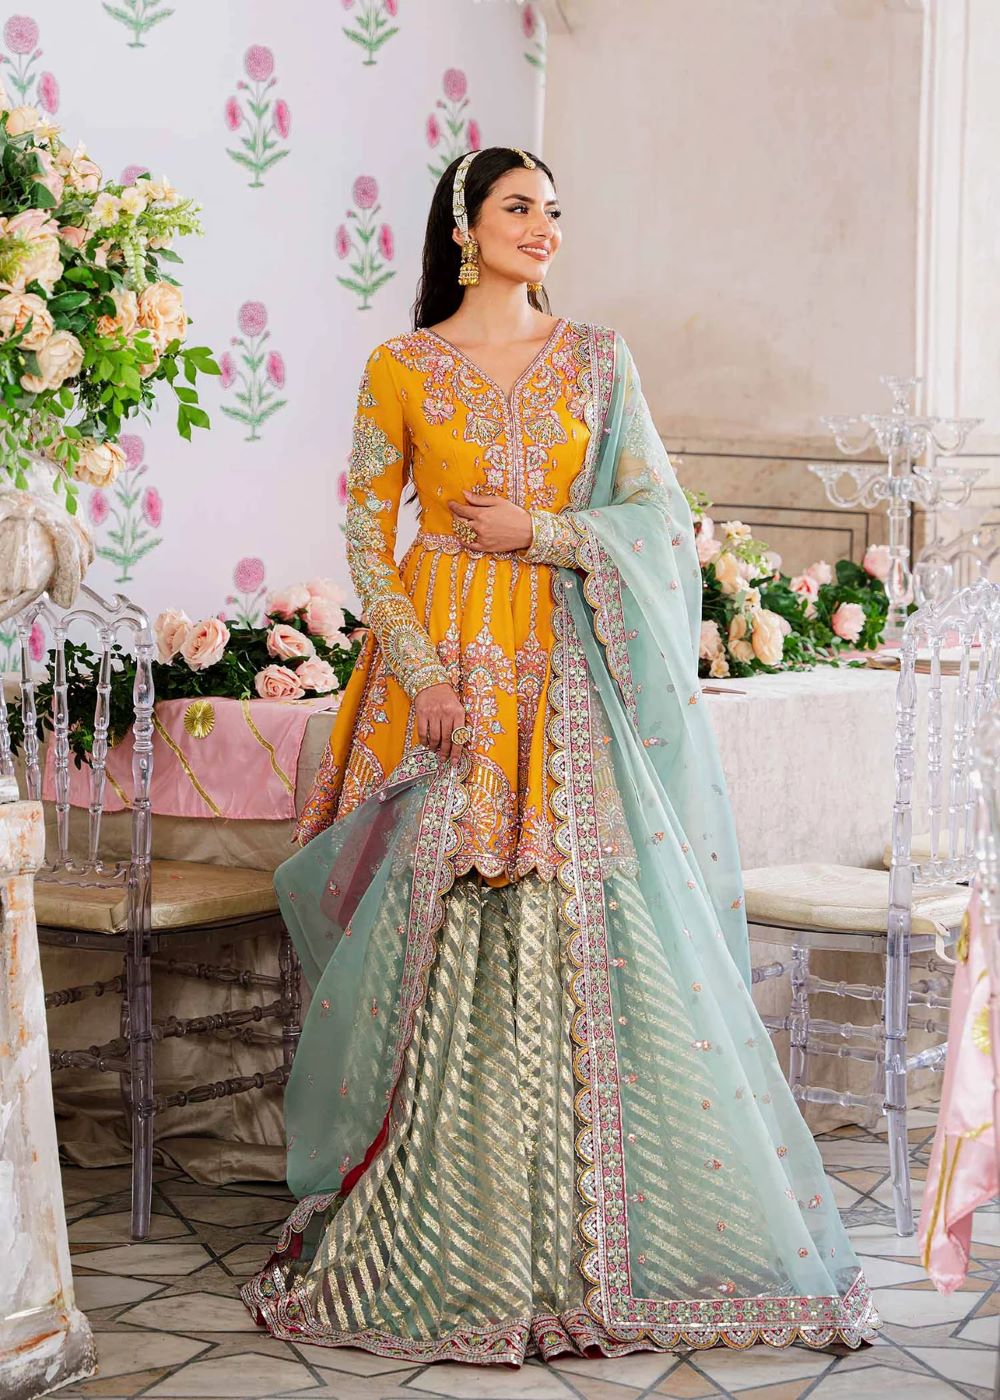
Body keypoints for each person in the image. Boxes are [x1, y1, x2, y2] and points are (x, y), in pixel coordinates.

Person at [242, 146, 879, 1365]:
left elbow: (659, 517)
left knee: (585, 923)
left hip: (568, 684)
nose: (543, 227)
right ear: (465, 226)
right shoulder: (399, 366)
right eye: (518, 208)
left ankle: (598, 1238)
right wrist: (423, 676)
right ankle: (455, 1230)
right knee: (446, 929)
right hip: (448, 676)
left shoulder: (597, 357)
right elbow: (368, 541)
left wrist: (541, 528)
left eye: (553, 211)